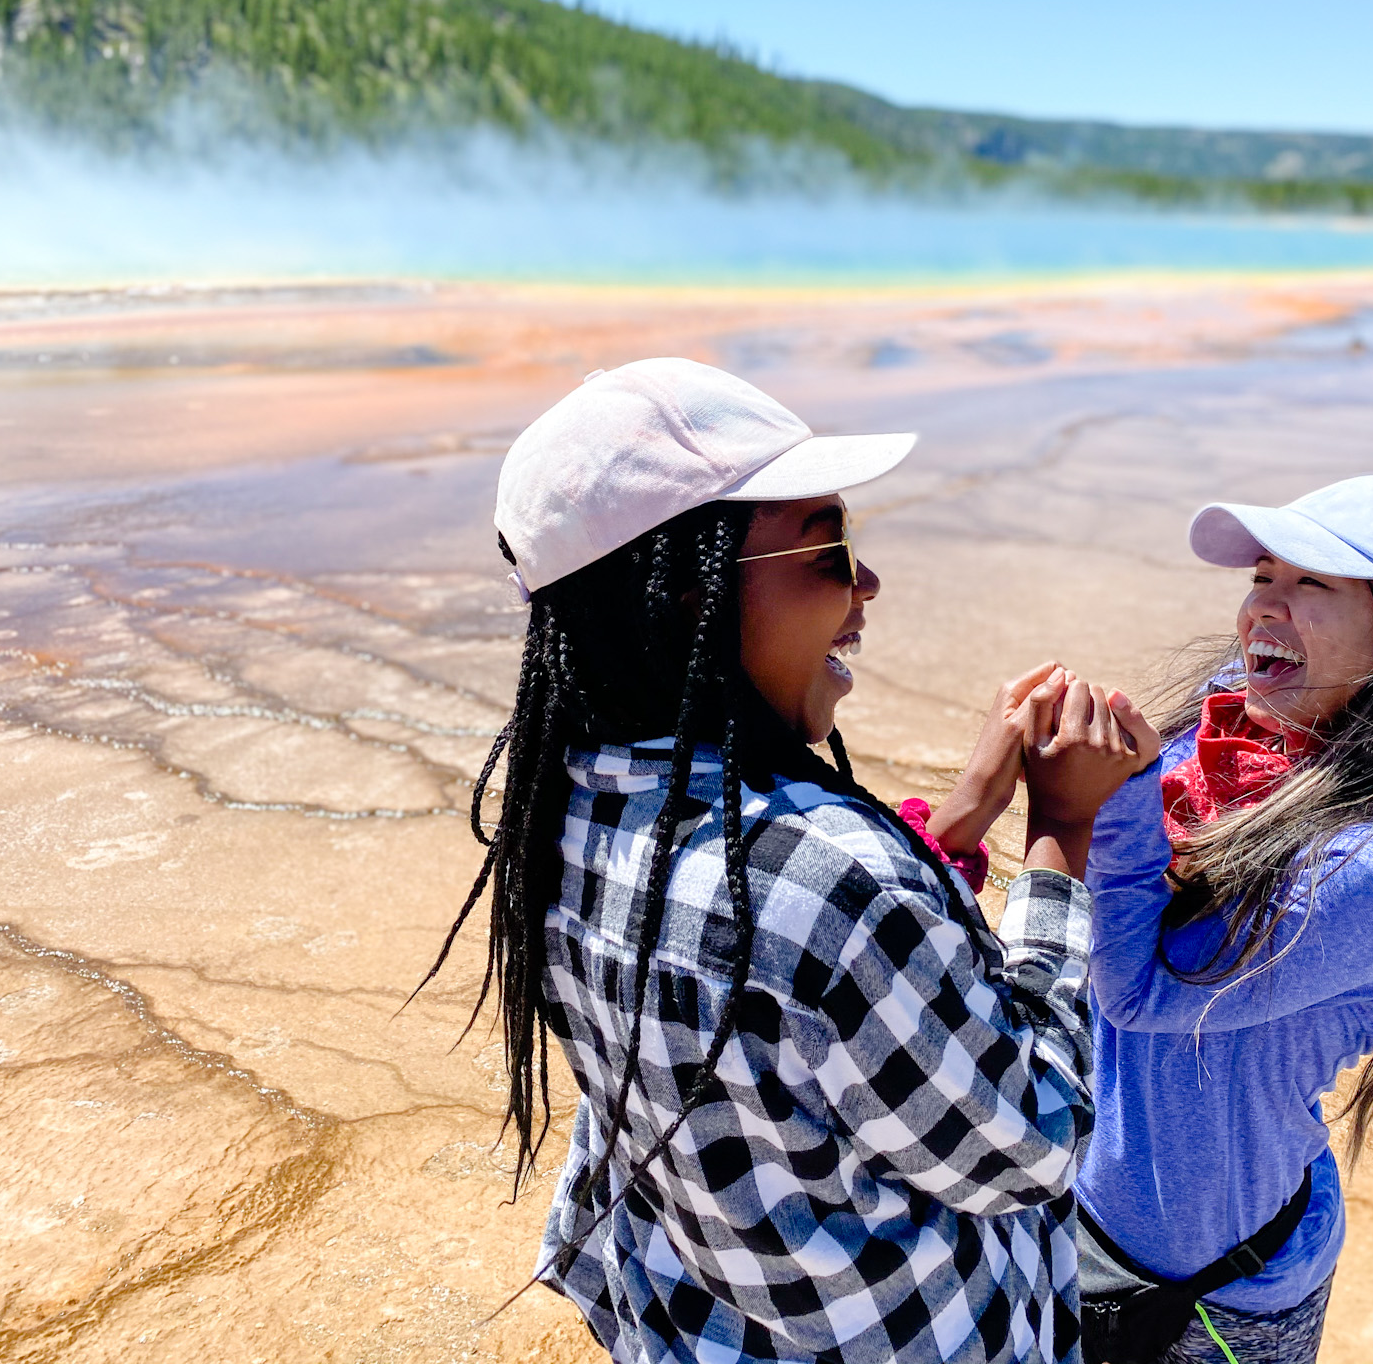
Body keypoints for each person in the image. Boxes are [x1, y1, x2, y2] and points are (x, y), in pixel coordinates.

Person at [417, 358, 1154, 1364]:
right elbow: (1032, 1140)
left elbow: (801, 1001)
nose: (866, 583)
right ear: (686, 600)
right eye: (828, 552)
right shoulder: (831, 884)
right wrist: (1059, 837)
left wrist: (964, 815)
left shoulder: (563, 803)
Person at [1074, 475, 1373, 1364]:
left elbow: (1138, 989)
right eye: (1263, 576)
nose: (1266, 608)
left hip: (1224, 1295)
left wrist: (1110, 797)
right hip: (1086, 1210)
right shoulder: (1234, 721)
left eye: (1313, 586)